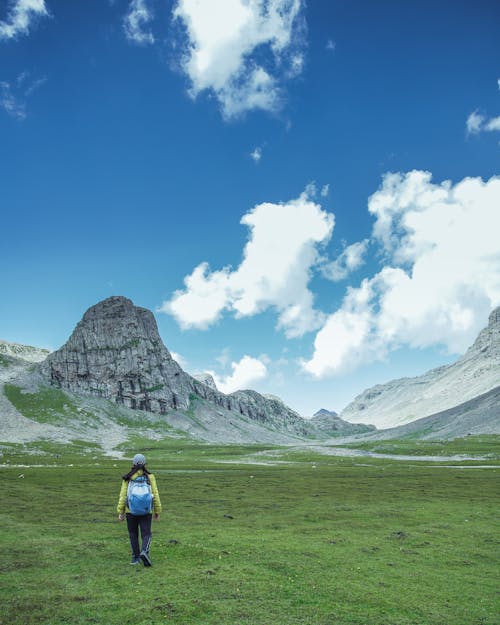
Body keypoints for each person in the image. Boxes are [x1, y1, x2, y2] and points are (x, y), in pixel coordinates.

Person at [117, 453, 162, 566]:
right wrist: (157, 510)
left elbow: (123, 496)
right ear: (145, 464)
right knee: (146, 534)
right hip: (147, 510)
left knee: (133, 534)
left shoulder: (128, 477)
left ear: (133, 463)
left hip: (130, 510)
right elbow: (155, 494)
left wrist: (121, 511)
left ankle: (135, 558)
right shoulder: (150, 477)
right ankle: (145, 552)